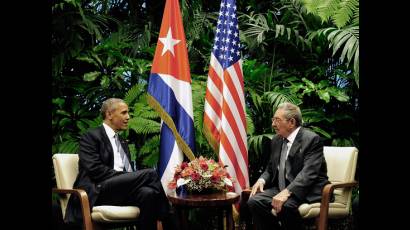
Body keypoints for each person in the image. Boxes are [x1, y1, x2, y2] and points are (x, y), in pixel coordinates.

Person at [64, 98, 175, 230]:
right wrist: (124, 177)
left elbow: (127, 172)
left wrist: (128, 179)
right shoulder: (90, 136)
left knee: (148, 193)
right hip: (98, 191)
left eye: (128, 113)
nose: (128, 117)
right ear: (109, 114)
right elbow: (95, 170)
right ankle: (169, 219)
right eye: (123, 113)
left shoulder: (122, 141)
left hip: (120, 191)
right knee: (150, 174)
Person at [247, 102, 330, 230]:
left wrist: (287, 192)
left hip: (308, 189)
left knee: (286, 206)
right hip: (283, 187)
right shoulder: (276, 139)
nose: (273, 124)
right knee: (254, 202)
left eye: (277, 120)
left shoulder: (312, 139)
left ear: (291, 122)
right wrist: (261, 180)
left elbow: (308, 174)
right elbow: (270, 168)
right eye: (273, 119)